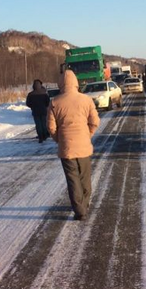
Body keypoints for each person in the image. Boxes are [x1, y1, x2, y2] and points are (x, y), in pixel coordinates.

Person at [47, 70, 100, 220]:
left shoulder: (55, 102)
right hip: (83, 145)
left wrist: (60, 139)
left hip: (66, 148)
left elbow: (51, 127)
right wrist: (88, 134)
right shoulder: (86, 100)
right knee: (84, 177)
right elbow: (95, 121)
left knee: (72, 179)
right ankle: (85, 203)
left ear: (61, 84)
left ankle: (79, 210)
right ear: (76, 82)